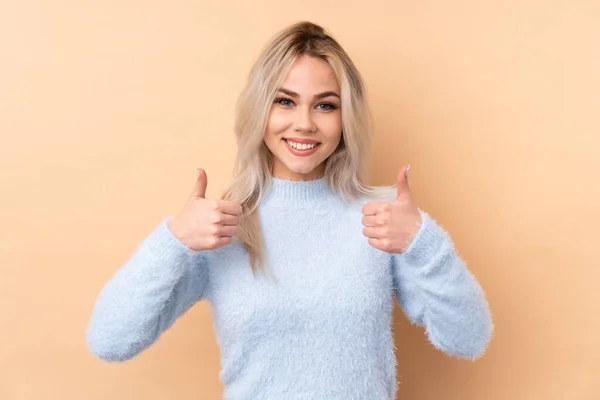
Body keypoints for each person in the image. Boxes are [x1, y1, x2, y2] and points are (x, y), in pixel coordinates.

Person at [86, 21, 493, 399]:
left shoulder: (383, 218)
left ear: (345, 117)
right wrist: (172, 241)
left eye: (325, 105)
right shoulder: (222, 226)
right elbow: (110, 341)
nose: (304, 124)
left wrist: (424, 242)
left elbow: (469, 338)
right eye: (285, 101)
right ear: (260, 110)